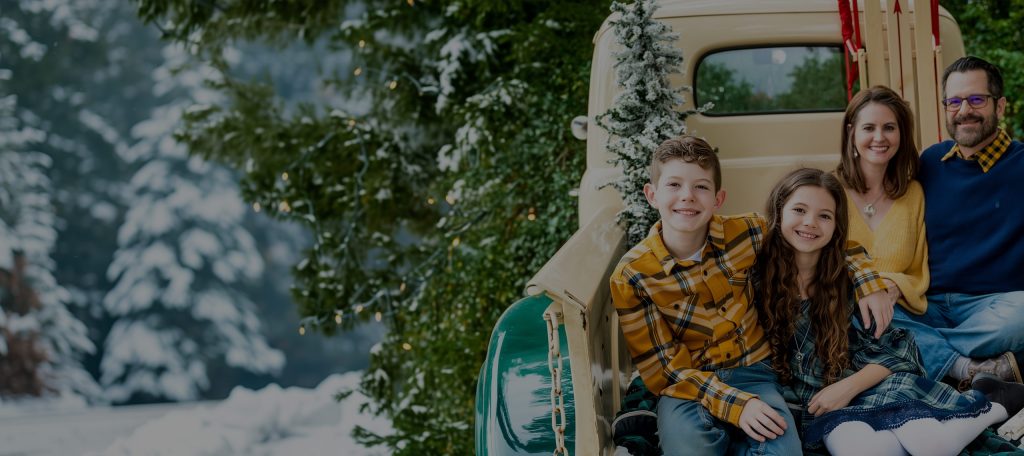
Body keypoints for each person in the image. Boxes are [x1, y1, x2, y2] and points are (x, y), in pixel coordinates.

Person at [609, 136, 892, 456]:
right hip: (687, 386)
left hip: (755, 372)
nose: (687, 197)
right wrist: (737, 407)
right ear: (652, 194)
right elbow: (664, 372)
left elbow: (817, 243)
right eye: (674, 185)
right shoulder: (632, 275)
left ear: (718, 199)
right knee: (691, 449)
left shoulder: (747, 232)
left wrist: (870, 282)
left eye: (701, 187)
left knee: (784, 450)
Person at [757, 167, 1019, 456]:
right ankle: (986, 399)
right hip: (818, 409)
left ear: (836, 225)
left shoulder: (848, 281)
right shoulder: (756, 277)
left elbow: (898, 349)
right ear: (779, 211)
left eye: (824, 215)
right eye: (799, 209)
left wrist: (846, 388)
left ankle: (993, 403)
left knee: (932, 446)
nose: (810, 223)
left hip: (867, 385)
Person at [891, 56, 1024, 386]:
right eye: (954, 101)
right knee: (863, 307)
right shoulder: (930, 161)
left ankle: (925, 349)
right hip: (927, 303)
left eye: (976, 99)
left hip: (995, 307)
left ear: (1001, 105)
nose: (964, 110)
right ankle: (968, 368)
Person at [835, 86, 928, 319]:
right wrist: (868, 287)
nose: (879, 137)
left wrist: (893, 285)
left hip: (899, 311)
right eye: (868, 128)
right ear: (851, 132)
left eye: (889, 128)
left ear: (901, 134)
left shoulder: (913, 193)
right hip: (843, 313)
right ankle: (955, 356)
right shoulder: (829, 191)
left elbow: (917, 271)